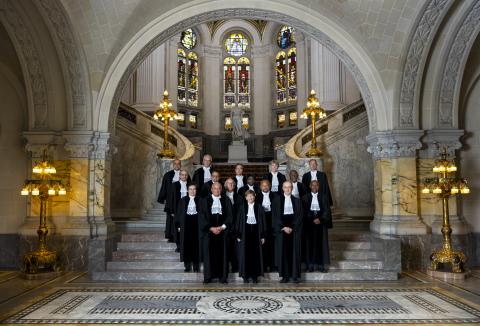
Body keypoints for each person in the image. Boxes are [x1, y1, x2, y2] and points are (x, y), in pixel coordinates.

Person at [199, 182, 232, 284]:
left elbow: (230, 216)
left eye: (219, 189)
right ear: (211, 189)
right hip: (209, 232)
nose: (217, 190)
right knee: (208, 255)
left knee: (223, 255)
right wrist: (211, 228)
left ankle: (223, 277)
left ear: (221, 189)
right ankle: (208, 277)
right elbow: (201, 216)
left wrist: (222, 227)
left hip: (223, 232)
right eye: (215, 188)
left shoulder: (226, 200)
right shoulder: (204, 201)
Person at [272, 181, 303, 283]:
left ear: (292, 188)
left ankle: (294, 276)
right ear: (282, 188)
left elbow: (299, 217)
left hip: (294, 230)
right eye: (285, 187)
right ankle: (285, 276)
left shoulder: (297, 201)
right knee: (283, 253)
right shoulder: (277, 200)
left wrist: (292, 227)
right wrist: (283, 227)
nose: (287, 189)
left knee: (294, 253)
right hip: (282, 230)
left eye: (289, 187)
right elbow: (275, 217)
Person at [235, 190, 266, 283]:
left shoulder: (259, 207)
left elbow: (263, 222)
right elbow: (238, 221)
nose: (250, 198)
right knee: (245, 254)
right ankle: (245, 275)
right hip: (245, 233)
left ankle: (254, 276)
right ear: (245, 197)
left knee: (255, 255)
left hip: (256, 233)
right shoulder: (242, 207)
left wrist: (263, 236)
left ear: (255, 196)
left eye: (252, 196)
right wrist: (238, 234)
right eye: (248, 196)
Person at [302, 180, 332, 273]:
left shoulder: (324, 197)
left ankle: (320, 265)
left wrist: (321, 219)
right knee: (309, 245)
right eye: (313, 185)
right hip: (309, 224)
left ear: (318, 187)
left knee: (321, 245)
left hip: (321, 224)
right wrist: (312, 219)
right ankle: (310, 265)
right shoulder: (305, 198)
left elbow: (327, 211)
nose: (314, 187)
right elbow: (304, 211)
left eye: (316, 185)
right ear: (310, 186)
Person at [157, 160, 189, 242]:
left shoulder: (185, 175)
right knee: (171, 219)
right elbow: (164, 187)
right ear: (173, 165)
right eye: (175, 163)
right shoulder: (167, 175)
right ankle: (171, 236)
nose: (177, 165)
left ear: (180, 165)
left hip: (184, 201)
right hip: (172, 201)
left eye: (179, 164)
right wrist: (163, 199)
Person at [176, 184, 201, 272]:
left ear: (196, 190)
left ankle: (196, 266)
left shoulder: (200, 200)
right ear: (187, 190)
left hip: (197, 225)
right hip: (185, 225)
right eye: (190, 189)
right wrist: (179, 226)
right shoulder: (183, 200)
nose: (192, 191)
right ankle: (187, 266)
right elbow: (179, 214)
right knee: (186, 245)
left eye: (194, 189)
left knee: (196, 246)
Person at [256, 179, 277, 272]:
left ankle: (273, 265)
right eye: (263, 185)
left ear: (270, 186)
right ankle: (263, 266)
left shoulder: (275, 196)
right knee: (262, 245)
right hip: (261, 223)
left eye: (267, 185)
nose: (265, 187)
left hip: (272, 223)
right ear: (260, 187)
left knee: (273, 245)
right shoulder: (257, 197)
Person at [166, 170, 190, 251]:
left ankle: (186, 245)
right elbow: (170, 199)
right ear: (179, 176)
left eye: (186, 175)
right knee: (178, 229)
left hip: (188, 209)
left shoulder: (190, 185)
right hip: (177, 210)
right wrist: (171, 211)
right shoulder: (174, 185)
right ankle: (179, 246)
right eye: (182, 175)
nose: (184, 176)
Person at [223, 178, 242, 273]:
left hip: (235, 226)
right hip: (225, 227)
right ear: (225, 185)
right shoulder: (221, 196)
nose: (231, 185)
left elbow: (241, 213)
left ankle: (235, 267)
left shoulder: (239, 197)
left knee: (235, 248)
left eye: (232, 183)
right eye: (229, 183)